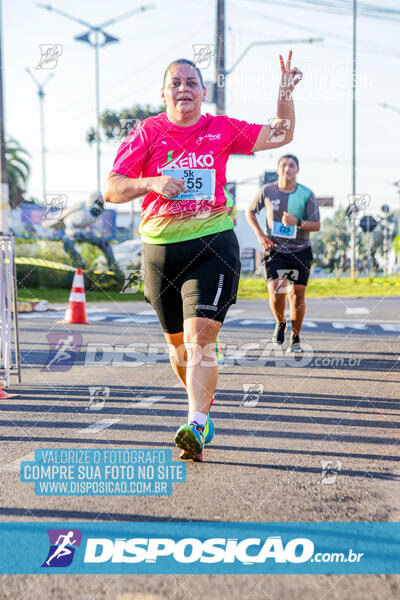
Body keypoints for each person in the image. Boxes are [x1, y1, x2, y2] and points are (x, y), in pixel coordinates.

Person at [103, 53, 302, 461]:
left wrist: (284, 92)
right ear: (164, 93)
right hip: (160, 251)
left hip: (213, 244)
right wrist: (153, 182)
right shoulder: (146, 133)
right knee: (178, 348)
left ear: (203, 92)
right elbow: (112, 190)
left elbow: (280, 133)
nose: (184, 89)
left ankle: (195, 422)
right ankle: (201, 409)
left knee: (201, 339)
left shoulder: (221, 128)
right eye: (175, 83)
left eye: (192, 82)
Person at [246, 154, 320, 353]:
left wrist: (298, 222)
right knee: (277, 289)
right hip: (274, 249)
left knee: (297, 295)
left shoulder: (306, 194)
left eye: (292, 165)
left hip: (300, 251)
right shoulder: (267, 191)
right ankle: (280, 322)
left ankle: (295, 338)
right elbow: (250, 212)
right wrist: (261, 235)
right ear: (278, 169)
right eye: (284, 165)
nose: (287, 168)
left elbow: (316, 225)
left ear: (297, 170)